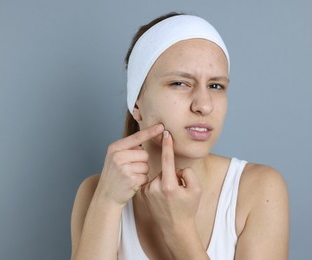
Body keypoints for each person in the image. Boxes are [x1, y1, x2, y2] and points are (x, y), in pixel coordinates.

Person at [70, 12, 289, 260]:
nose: (204, 105)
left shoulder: (259, 189)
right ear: (137, 103)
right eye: (180, 83)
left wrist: (179, 229)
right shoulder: (94, 192)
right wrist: (107, 202)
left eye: (216, 86)